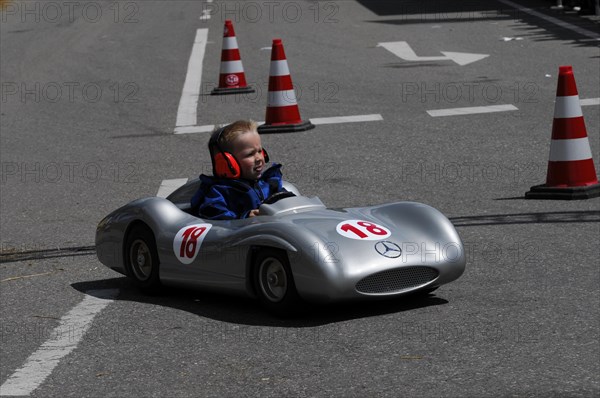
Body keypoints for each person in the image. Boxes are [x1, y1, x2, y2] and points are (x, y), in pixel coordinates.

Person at [191, 120, 285, 219]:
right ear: (226, 161)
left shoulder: (269, 183)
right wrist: (245, 217)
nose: (259, 158)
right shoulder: (220, 192)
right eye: (250, 154)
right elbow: (215, 214)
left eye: (259, 151)